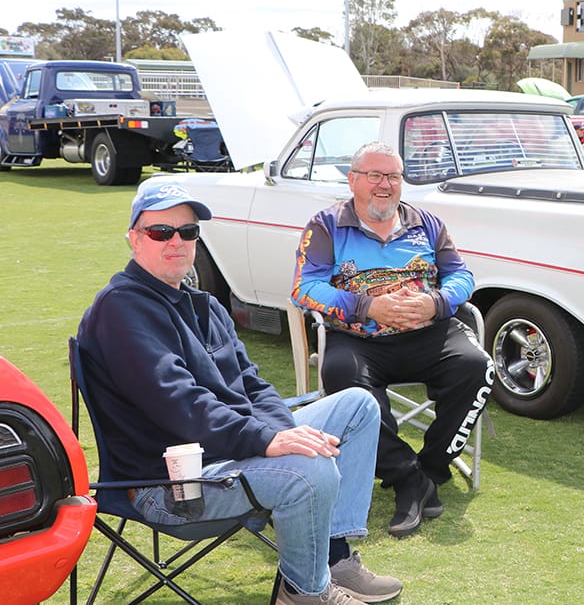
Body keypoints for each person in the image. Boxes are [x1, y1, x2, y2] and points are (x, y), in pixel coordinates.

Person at [77, 183, 402, 605]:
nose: (176, 241)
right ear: (135, 238)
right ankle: (304, 593)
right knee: (311, 473)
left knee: (357, 405)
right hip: (173, 484)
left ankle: (334, 558)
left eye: (188, 232)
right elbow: (180, 405)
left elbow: (253, 385)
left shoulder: (206, 306)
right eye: (161, 232)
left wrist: (286, 435)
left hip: (229, 453)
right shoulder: (121, 309)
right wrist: (269, 441)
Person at [292, 141, 494, 538]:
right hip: (358, 337)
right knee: (343, 381)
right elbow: (305, 288)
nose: (385, 184)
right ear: (353, 180)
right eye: (375, 175)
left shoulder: (428, 224)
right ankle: (406, 476)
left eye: (393, 176)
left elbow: (463, 277)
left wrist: (435, 302)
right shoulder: (326, 225)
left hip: (428, 332)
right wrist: (365, 306)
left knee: (478, 367)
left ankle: (432, 469)